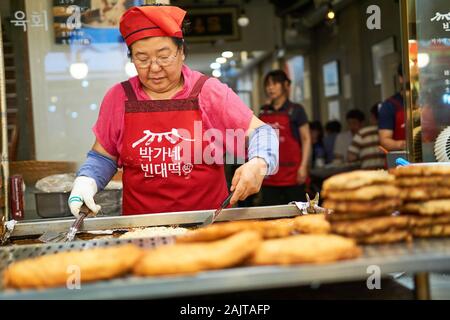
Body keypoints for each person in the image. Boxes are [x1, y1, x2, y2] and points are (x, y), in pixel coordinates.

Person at [68, 5, 279, 216]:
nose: (154, 67)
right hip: (140, 229)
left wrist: (259, 162)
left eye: (164, 56)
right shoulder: (119, 97)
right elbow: (103, 157)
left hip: (209, 227)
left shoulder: (208, 92)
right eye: (142, 59)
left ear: (182, 52)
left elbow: (263, 133)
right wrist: (86, 181)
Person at [258, 70, 311, 205]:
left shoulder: (296, 110)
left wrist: (303, 167)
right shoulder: (263, 111)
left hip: (293, 174)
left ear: (285, 85)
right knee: (271, 218)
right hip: (269, 176)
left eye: (275, 84)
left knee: (297, 214)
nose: (270, 88)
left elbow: (306, 139)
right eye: (268, 84)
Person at [348, 103, 385, 169]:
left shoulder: (362, 133)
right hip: (385, 172)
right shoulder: (389, 132)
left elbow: (351, 157)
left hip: (368, 173)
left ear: (373, 116)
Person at [378, 63, 406, 151]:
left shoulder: (431, 102)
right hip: (401, 161)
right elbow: (384, 140)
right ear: (401, 78)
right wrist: (406, 145)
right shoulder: (389, 105)